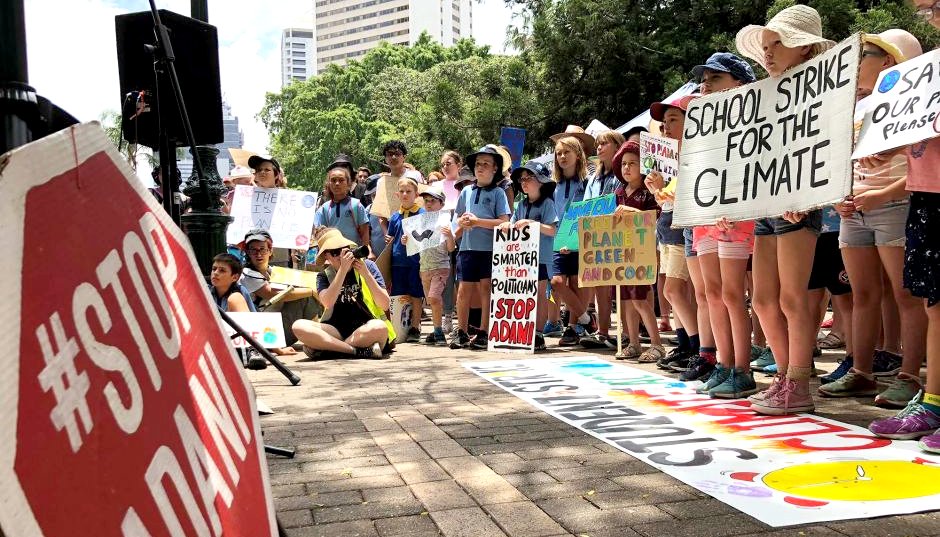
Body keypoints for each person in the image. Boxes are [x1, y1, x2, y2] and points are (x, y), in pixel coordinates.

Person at [733, 4, 836, 415]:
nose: (769, 52)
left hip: (799, 206)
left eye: (780, 44)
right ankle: (785, 376)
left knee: (794, 298)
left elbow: (824, 151)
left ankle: (798, 382)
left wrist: (808, 197)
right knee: (762, 299)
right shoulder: (763, 96)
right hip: (766, 204)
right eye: (767, 45)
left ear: (805, 49)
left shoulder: (823, 95)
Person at [821, 30, 927, 409]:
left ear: (889, 62)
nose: (858, 60)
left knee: (906, 296)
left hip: (897, 208)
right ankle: (861, 371)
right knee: (864, 294)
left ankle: (910, 376)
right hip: (856, 212)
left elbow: (924, 168)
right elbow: (845, 163)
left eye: (865, 53)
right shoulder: (858, 108)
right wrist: (842, 198)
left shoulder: (917, 105)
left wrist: (879, 194)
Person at [868, 0, 940, 454]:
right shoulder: (927, 77)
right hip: (926, 198)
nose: (930, 12)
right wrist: (891, 148)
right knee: (935, 303)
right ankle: (933, 401)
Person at [684, 53, 761, 399]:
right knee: (712, 293)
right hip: (705, 214)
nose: (705, 85)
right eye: (704, 79)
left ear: (739, 84)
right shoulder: (699, 127)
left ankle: (742, 370)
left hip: (735, 212)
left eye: (715, 78)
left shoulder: (754, 120)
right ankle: (724, 364)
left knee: (732, 293)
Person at [645, 95, 702, 373]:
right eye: (664, 122)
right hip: (667, 224)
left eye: (672, 120)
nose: (666, 127)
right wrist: (657, 188)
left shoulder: (694, 155)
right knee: (671, 290)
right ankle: (684, 344)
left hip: (682, 225)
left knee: (673, 290)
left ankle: (697, 344)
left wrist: (664, 191)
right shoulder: (666, 160)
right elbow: (664, 200)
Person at [293, 228, 392, 359]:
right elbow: (328, 303)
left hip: (365, 326)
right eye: (335, 252)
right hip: (336, 330)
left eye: (344, 250)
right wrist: (342, 271)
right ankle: (355, 351)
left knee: (380, 327)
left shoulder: (367, 266)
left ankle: (329, 349)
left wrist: (366, 274)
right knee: (298, 326)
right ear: (326, 256)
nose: (341, 255)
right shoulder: (323, 276)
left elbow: (385, 304)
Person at [450, 146, 511, 349]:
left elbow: (504, 222)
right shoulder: (466, 191)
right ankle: (461, 331)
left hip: (489, 249)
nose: (480, 168)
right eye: (477, 164)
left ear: (495, 169)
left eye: (486, 164)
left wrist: (477, 222)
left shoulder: (498, 193)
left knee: (487, 289)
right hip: (466, 248)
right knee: (463, 290)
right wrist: (461, 225)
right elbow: (457, 219)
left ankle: (485, 330)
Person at [610, 140, 664, 362]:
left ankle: (657, 344)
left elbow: (657, 216)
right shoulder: (619, 191)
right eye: (623, 163)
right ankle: (633, 342)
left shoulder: (647, 192)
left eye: (633, 163)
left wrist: (632, 212)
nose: (627, 168)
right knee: (625, 300)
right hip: (622, 252)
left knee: (640, 299)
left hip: (642, 251)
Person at [500, 160, 558, 351]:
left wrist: (532, 224)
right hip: (522, 258)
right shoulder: (521, 205)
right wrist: (507, 225)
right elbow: (513, 224)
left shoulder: (548, 203)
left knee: (540, 296)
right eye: (521, 179)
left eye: (529, 178)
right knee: (525, 295)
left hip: (541, 257)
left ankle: (539, 333)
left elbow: (553, 230)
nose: (524, 182)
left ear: (541, 181)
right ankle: (523, 331)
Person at [580, 129, 626, 349]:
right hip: (598, 234)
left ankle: (626, 332)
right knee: (601, 283)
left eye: (604, 143)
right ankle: (604, 332)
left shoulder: (622, 174)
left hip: (619, 232)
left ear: (617, 146)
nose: (599, 147)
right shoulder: (593, 178)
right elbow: (588, 205)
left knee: (623, 284)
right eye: (598, 144)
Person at [239, 229, 318, 354]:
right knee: (307, 295)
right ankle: (316, 339)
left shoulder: (272, 271)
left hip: (276, 327)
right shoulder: (247, 274)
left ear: (270, 251)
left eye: (262, 249)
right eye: (253, 250)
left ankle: (316, 337)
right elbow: (275, 294)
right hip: (264, 335)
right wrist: (312, 291)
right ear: (247, 253)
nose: (258, 254)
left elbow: (295, 285)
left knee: (308, 293)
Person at [550, 136, 595, 346]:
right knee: (557, 282)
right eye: (559, 153)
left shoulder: (587, 181)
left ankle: (572, 328)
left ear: (578, 154)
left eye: (567, 152)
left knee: (577, 282)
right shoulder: (553, 185)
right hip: (560, 238)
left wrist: (576, 238)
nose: (562, 157)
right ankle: (587, 320)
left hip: (581, 236)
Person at [405, 184, 456, 345]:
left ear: (441, 204)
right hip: (424, 268)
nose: (428, 204)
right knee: (431, 300)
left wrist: (449, 236)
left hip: (440, 267)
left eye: (433, 201)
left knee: (434, 298)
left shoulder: (445, 223)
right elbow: (413, 246)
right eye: (426, 201)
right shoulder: (418, 223)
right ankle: (436, 329)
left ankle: (439, 332)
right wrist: (406, 241)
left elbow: (451, 248)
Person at [387, 176, 425, 342]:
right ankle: (398, 329)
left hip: (415, 262)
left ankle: (415, 327)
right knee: (398, 295)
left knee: (416, 294)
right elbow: (390, 236)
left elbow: (426, 237)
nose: (405, 194)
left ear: (416, 194)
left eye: (408, 191)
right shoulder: (395, 216)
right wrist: (390, 240)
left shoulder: (422, 214)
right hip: (398, 262)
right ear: (397, 195)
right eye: (401, 191)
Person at [315, 154, 371, 254]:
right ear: (329, 183)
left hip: (354, 256)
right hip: (333, 258)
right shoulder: (324, 209)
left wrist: (363, 254)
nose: (337, 184)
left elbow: (365, 233)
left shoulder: (356, 205)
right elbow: (319, 233)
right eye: (333, 180)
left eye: (341, 180)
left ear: (348, 183)